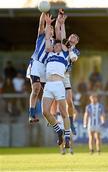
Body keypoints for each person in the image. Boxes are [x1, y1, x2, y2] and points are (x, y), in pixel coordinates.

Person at [42, 15, 71, 148]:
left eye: (60, 45)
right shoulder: (49, 53)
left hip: (59, 84)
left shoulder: (64, 54)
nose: (58, 45)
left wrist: (60, 23)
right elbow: (48, 38)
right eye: (56, 45)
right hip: (48, 84)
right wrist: (48, 24)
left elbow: (61, 36)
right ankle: (58, 130)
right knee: (45, 112)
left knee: (64, 113)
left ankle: (67, 137)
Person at [55, 9, 80, 135]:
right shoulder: (64, 45)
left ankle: (71, 124)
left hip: (65, 75)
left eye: (75, 37)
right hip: (56, 73)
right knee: (54, 96)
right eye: (72, 36)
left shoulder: (75, 51)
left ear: (76, 41)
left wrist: (70, 50)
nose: (72, 37)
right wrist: (62, 22)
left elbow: (73, 58)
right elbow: (62, 33)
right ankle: (53, 118)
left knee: (69, 101)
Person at [26, 12, 54, 123]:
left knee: (49, 92)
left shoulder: (54, 43)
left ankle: (48, 114)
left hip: (46, 68)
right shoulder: (41, 35)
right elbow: (41, 24)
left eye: (51, 28)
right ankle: (31, 114)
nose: (49, 30)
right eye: (48, 28)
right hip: (36, 64)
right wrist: (43, 12)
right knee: (36, 89)